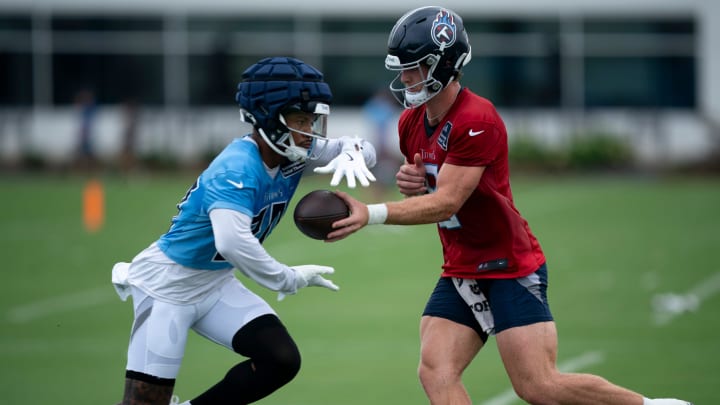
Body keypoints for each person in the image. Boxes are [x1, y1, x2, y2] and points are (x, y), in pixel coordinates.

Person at [327, 6, 692, 405]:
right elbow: (433, 185)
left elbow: (447, 202)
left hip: (506, 264)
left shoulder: (477, 118)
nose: (404, 78)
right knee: (436, 370)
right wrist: (414, 183)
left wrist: (372, 213)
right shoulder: (409, 123)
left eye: (415, 67)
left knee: (538, 386)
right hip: (462, 264)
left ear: (445, 64)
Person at [111, 56, 376, 405]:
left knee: (280, 360)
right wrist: (287, 278)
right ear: (269, 117)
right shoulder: (236, 167)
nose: (310, 130)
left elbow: (357, 147)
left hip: (214, 282)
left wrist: (356, 152)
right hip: (168, 286)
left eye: (312, 119)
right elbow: (233, 242)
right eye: (301, 119)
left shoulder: (292, 149)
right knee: (144, 403)